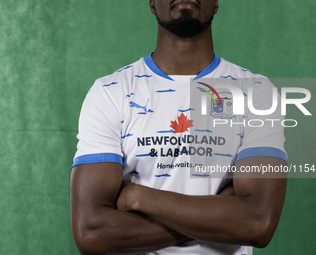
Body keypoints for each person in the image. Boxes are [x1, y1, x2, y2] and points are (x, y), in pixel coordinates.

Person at [70, 0, 288, 254]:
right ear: (152, 4)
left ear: (216, 4)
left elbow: (257, 223)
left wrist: (139, 198)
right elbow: (91, 232)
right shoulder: (110, 92)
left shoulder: (257, 93)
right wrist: (218, 219)